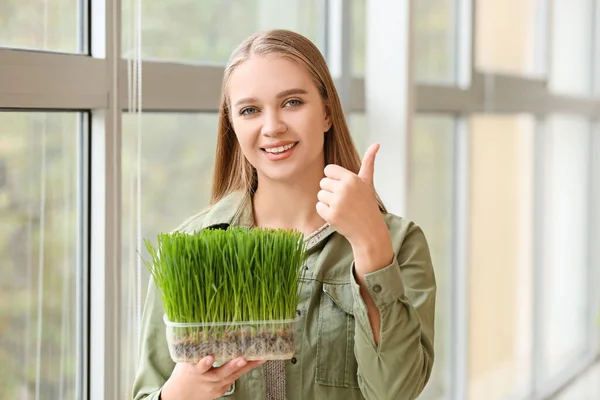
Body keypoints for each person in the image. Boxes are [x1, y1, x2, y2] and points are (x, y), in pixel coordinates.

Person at [132, 29, 436, 400]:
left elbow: (395, 392)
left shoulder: (399, 244)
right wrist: (180, 393)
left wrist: (369, 245)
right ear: (233, 125)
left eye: (292, 102)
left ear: (327, 112)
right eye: (250, 110)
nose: (272, 126)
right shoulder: (188, 250)